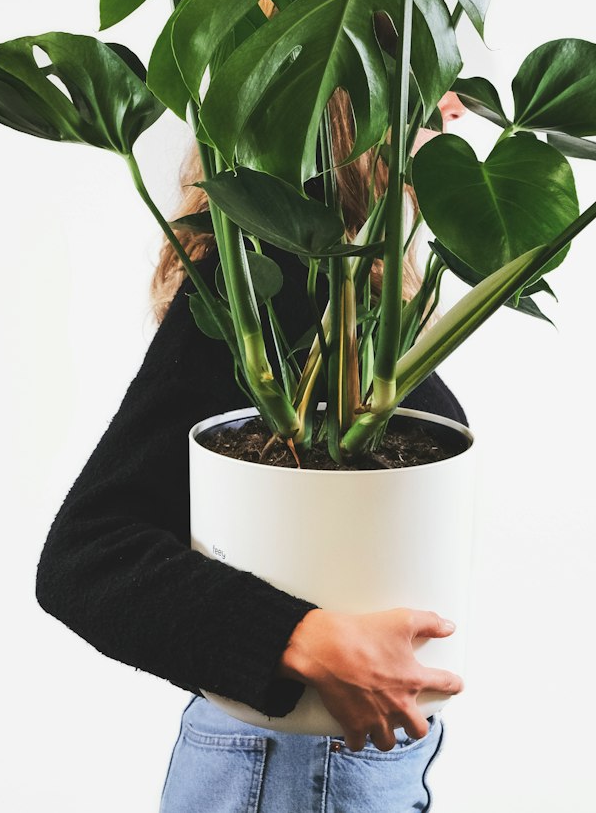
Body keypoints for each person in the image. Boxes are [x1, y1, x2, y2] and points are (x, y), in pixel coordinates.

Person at [35, 85, 470, 813]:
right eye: (434, 82)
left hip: (323, 768)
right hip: (292, 769)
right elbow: (86, 553)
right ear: (350, 114)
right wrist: (299, 639)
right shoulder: (272, 291)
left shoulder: (354, 300)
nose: (458, 108)